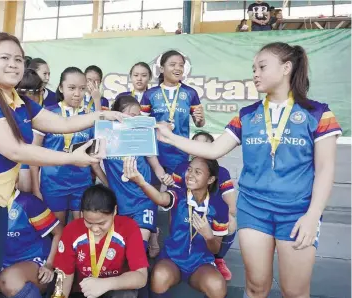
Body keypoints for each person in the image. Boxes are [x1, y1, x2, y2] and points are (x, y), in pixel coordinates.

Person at [0, 31, 124, 298]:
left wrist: (103, 113)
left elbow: (64, 123)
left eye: (19, 59)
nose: (13, 64)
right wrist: (72, 158)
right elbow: (16, 150)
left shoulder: (17, 101)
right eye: (5, 58)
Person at [155, 42, 342, 298]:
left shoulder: (318, 113)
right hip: (254, 209)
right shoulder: (247, 115)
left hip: (297, 212)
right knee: (255, 287)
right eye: (253, 68)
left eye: (262, 67)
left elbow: (325, 169)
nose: (255, 73)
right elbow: (212, 151)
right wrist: (170, 137)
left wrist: (313, 215)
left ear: (286, 68)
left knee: (294, 291)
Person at [124, 156, 228, 297]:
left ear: (210, 180)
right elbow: (161, 199)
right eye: (189, 170)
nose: (190, 175)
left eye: (197, 172)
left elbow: (216, 249)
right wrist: (141, 182)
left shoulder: (219, 207)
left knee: (217, 285)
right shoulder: (179, 194)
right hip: (172, 259)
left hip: (201, 263)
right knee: (160, 275)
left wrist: (208, 235)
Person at [31, 67, 108, 224]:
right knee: (58, 231)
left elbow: (94, 156)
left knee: (80, 230)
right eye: (71, 88)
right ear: (61, 88)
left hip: (82, 184)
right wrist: (35, 189)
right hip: (53, 185)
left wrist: (108, 184)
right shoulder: (47, 114)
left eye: (81, 88)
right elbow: (33, 155)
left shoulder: (88, 116)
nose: (77, 93)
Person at [104, 95, 174, 258]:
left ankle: (151, 232)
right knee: (120, 252)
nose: (136, 120)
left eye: (138, 116)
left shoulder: (143, 134)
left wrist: (165, 178)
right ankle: (153, 232)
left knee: (137, 251)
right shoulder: (106, 135)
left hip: (143, 199)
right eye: (133, 116)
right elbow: (94, 163)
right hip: (119, 202)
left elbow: (156, 166)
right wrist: (108, 182)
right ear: (118, 114)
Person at [53, 185, 149, 298]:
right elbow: (64, 275)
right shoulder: (71, 230)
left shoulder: (129, 227)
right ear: (82, 214)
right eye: (88, 222)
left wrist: (105, 284)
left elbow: (141, 277)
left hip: (117, 288)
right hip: (84, 291)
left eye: (102, 223)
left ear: (115, 211)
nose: (95, 229)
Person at [172, 131, 237, 281]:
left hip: (210, 213)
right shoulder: (181, 167)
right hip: (186, 211)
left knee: (231, 222)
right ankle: (179, 248)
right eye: (195, 144)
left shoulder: (222, 172)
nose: (198, 149)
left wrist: (217, 213)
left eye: (204, 145)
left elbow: (231, 206)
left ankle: (217, 258)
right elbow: (173, 196)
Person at [140, 50, 205, 175]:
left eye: (181, 65)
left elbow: (199, 124)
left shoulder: (190, 93)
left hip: (180, 152)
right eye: (173, 64)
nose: (178, 68)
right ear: (162, 69)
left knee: (178, 189)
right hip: (154, 152)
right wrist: (159, 124)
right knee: (154, 190)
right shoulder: (150, 94)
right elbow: (142, 125)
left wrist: (200, 119)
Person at [0, 189, 63, 298]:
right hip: (5, 263)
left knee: (9, 281)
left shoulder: (27, 202)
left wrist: (49, 265)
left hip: (34, 260)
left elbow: (59, 232)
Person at [15, 68, 45, 192]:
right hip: (17, 158)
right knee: (25, 186)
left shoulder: (44, 113)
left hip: (40, 161)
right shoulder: (12, 111)